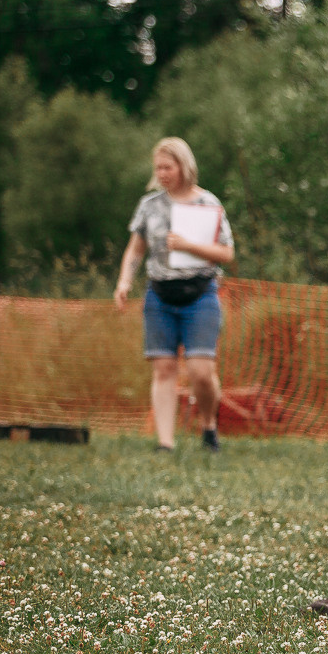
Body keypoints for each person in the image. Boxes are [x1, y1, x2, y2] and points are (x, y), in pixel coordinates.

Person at [113, 137, 235, 452]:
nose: (163, 173)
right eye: (159, 167)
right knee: (164, 369)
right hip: (159, 296)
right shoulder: (149, 205)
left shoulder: (207, 203)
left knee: (201, 372)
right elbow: (135, 251)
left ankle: (209, 425)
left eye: (169, 166)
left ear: (184, 166)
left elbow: (226, 253)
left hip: (201, 294)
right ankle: (165, 442)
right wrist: (124, 281)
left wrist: (187, 245)